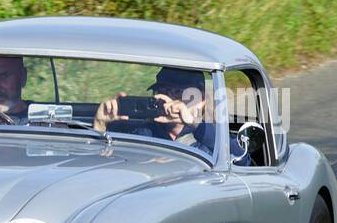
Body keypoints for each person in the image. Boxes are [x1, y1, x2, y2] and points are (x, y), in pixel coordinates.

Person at [93, 67, 251, 163]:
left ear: (201, 99)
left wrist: (193, 123)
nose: (169, 100)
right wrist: (100, 124)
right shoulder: (140, 131)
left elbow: (242, 160)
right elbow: (102, 162)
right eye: (163, 91)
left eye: (177, 93)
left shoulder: (211, 136)